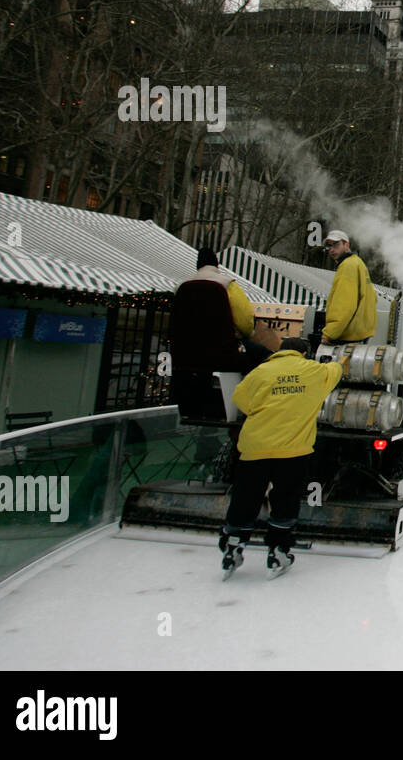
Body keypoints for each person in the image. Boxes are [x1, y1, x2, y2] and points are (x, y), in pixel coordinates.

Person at [220, 336, 344, 578]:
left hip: (255, 448)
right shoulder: (315, 371)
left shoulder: (261, 371)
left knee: (246, 497)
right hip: (293, 451)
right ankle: (278, 549)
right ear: (304, 353)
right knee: (285, 499)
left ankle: (233, 544)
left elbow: (240, 400)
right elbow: (337, 369)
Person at [169, 247, 269, 420]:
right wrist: (249, 333)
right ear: (217, 264)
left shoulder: (181, 287)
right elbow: (245, 321)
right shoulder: (227, 284)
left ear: (197, 265)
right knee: (263, 355)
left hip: (186, 357)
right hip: (222, 355)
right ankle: (253, 409)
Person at [321, 230, 376, 346]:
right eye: (329, 246)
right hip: (362, 333)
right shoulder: (358, 263)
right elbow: (373, 298)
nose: (331, 250)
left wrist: (329, 333)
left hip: (348, 335)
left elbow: (344, 305)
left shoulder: (347, 266)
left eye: (336, 245)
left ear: (347, 245)